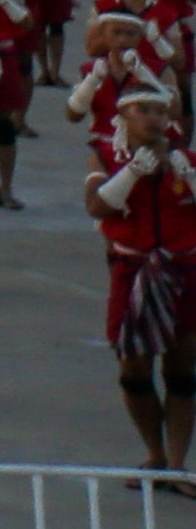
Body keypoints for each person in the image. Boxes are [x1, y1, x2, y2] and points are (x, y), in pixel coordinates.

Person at [88, 85, 196, 479]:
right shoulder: (105, 157)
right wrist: (132, 173)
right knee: (133, 368)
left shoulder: (188, 160)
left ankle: (178, 463)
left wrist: (187, 175)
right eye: (143, 110)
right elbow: (97, 206)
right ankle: (155, 452)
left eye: (159, 111)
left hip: (185, 271)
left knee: (182, 368)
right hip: (131, 270)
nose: (153, 118)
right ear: (124, 117)